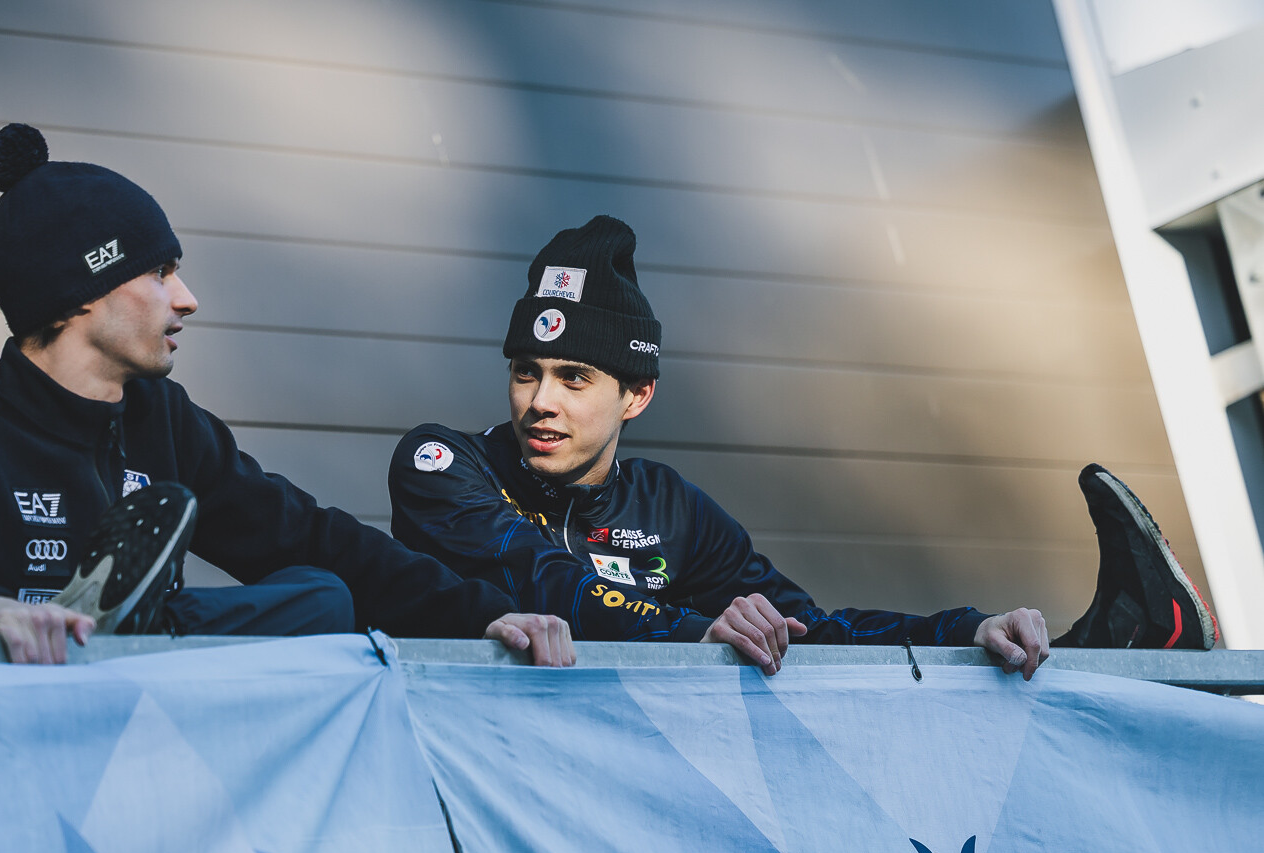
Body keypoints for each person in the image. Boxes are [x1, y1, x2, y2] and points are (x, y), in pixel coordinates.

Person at [0, 123, 574, 667]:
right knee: (314, 598)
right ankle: (100, 635)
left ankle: (125, 635)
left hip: (149, 710)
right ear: (79, 292)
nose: (187, 298)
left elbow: (309, 534)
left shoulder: (162, 420)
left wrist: (482, 616)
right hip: (5, 707)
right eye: (160, 272)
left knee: (319, 592)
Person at [388, 216, 1218, 677]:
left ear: (637, 395)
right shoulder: (442, 465)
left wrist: (970, 630)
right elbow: (540, 576)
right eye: (525, 372)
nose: (539, 401)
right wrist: (697, 631)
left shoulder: (671, 508)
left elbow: (813, 632)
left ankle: (1117, 649)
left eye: (574, 378)